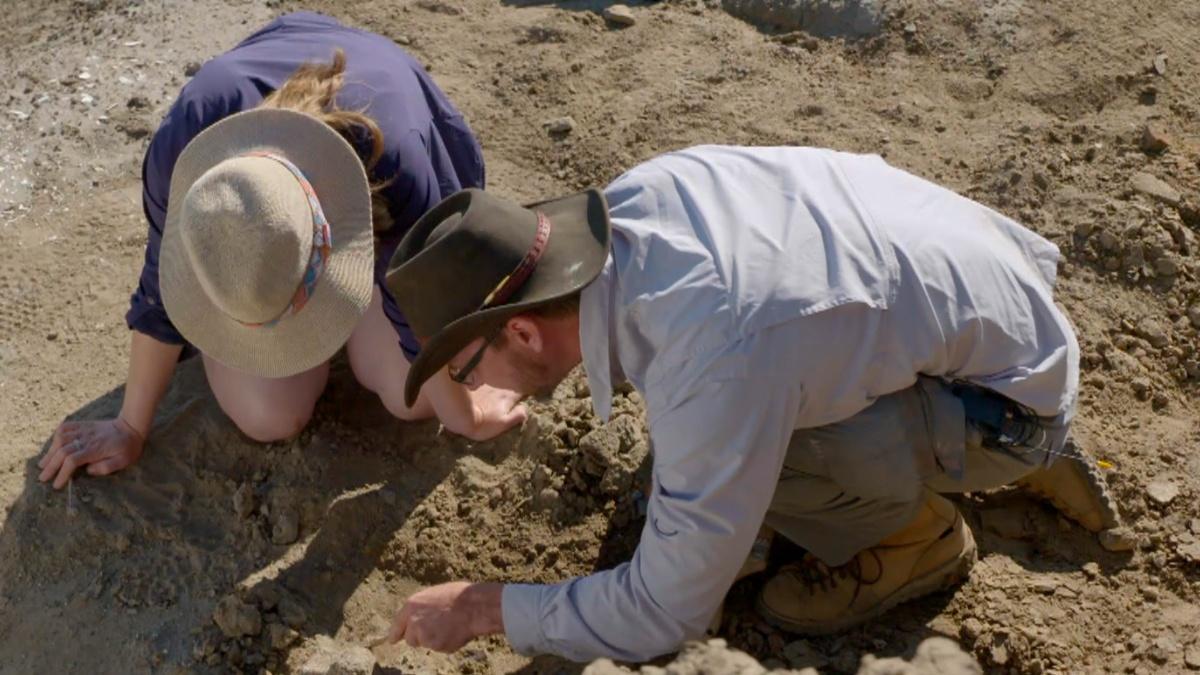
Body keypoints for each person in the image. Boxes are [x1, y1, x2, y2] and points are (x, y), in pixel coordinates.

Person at [379, 145, 1120, 661]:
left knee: (744, 450)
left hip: (1008, 395)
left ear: (520, 328)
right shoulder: (643, 203)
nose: (474, 387)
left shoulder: (709, 354)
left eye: (470, 366)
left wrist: (486, 607)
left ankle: (922, 536)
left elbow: (665, 614)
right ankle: (988, 432)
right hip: (1001, 316)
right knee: (711, 440)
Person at [38, 12, 526, 491]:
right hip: (293, 190)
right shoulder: (187, 150)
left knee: (413, 397)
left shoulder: (400, 170)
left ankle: (356, 304)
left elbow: (426, 318)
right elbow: (159, 288)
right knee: (269, 414)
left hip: (384, 162)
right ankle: (299, 305)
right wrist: (130, 426)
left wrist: (467, 416)